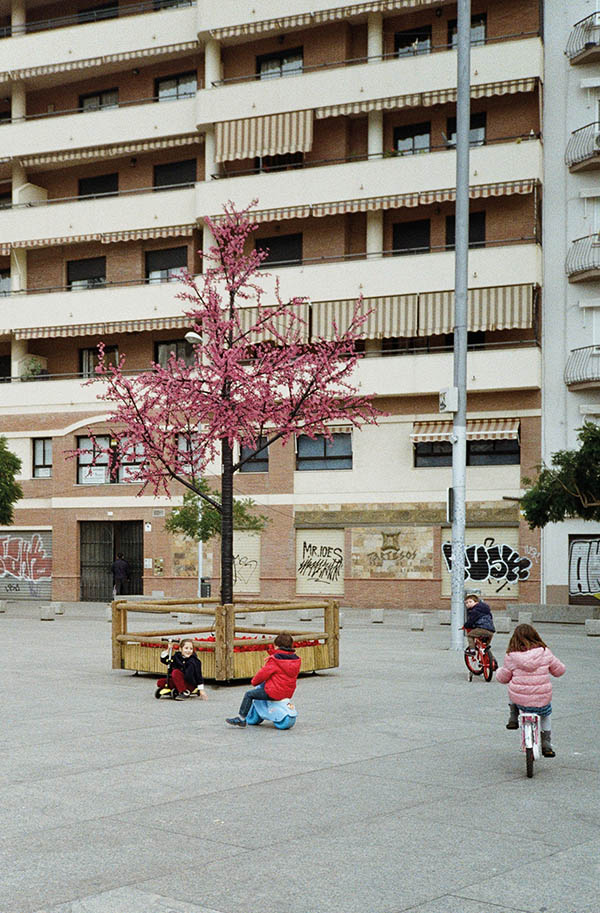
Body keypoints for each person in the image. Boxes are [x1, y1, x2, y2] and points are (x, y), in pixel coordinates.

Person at [496, 623, 565, 758]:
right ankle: (546, 743)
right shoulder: (545, 652)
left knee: (512, 687)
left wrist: (498, 672)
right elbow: (559, 671)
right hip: (541, 701)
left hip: (521, 702)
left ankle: (513, 716)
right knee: (546, 715)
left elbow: (503, 678)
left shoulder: (511, 656)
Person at [226, 632, 301, 727]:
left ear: (277, 646)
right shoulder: (296, 660)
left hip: (274, 692)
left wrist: (254, 681)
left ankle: (241, 718)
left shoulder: (275, 660)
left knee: (249, 694)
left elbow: (263, 673)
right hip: (288, 692)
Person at [464, 591, 497, 667]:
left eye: (470, 602)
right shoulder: (485, 609)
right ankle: (492, 661)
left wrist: (466, 625)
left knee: (470, 635)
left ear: (476, 602)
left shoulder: (475, 610)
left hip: (482, 629)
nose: (468, 604)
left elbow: (472, 621)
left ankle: (472, 651)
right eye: (466, 603)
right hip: (491, 631)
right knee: (485, 648)